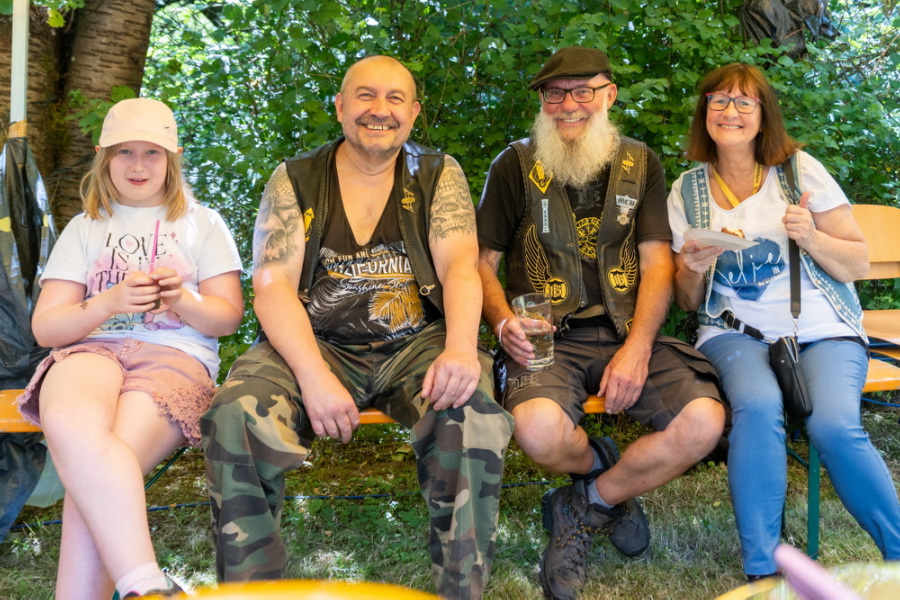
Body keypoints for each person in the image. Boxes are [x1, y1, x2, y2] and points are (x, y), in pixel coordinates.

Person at [201, 55, 513, 600]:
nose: (379, 110)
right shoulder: (296, 178)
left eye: (395, 98)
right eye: (365, 96)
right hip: (314, 343)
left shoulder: (438, 173)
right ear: (341, 106)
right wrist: (314, 376)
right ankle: (250, 593)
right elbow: (272, 285)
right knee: (235, 413)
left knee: (473, 415)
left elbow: (461, 268)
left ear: (414, 112)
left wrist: (463, 349)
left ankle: (461, 592)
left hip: (416, 344)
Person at [476, 46, 726, 600]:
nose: (568, 105)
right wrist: (501, 321)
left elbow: (657, 264)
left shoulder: (641, 163)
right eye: (555, 93)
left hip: (627, 331)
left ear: (609, 94)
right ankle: (602, 469)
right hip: (547, 338)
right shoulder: (513, 165)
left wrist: (637, 348)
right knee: (538, 432)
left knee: (703, 423)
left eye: (583, 91)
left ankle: (588, 503)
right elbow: (480, 263)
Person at [668, 62, 900, 580]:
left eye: (743, 102)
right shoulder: (686, 191)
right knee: (756, 406)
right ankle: (764, 570)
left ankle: (898, 555)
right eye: (718, 100)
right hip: (734, 331)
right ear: (704, 111)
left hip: (823, 328)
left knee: (833, 425)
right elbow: (686, 300)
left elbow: (857, 263)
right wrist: (691, 268)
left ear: (763, 113)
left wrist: (811, 236)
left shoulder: (798, 171)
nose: (730, 111)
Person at [16, 98, 244, 598]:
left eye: (152, 152)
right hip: (92, 352)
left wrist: (181, 298)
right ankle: (148, 585)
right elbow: (48, 328)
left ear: (173, 157)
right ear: (103, 156)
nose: (138, 165)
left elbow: (228, 317)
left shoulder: (204, 224)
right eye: (124, 151)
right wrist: (108, 302)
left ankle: (144, 588)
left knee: (93, 476)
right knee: (74, 426)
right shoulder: (85, 227)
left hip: (175, 358)